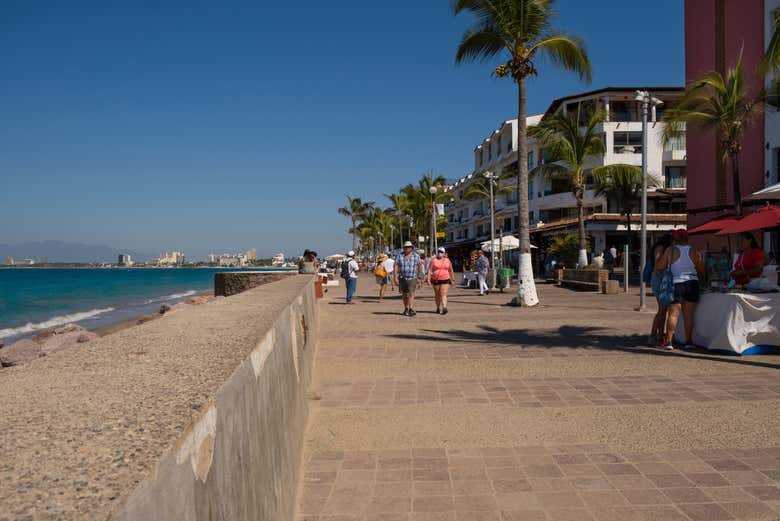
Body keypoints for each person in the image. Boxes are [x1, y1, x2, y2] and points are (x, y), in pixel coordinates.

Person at [656, 229, 704, 350]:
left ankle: (668, 341)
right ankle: (688, 341)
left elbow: (660, 267)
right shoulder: (694, 251)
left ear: (675, 239)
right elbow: (702, 269)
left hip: (676, 283)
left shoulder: (670, 250)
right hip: (692, 283)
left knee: (673, 314)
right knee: (689, 316)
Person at [648, 234, 672, 344]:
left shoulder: (663, 248)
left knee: (663, 309)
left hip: (661, 278)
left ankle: (660, 334)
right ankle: (653, 335)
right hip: (659, 278)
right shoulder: (661, 248)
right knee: (662, 309)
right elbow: (658, 265)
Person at [394, 241, 423, 316]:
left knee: (411, 293)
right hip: (402, 277)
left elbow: (420, 266)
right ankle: (406, 308)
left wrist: (419, 277)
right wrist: (395, 277)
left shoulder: (416, 256)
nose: (407, 249)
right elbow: (396, 266)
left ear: (411, 248)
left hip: (412, 277)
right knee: (404, 294)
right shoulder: (400, 256)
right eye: (405, 247)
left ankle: (410, 308)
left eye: (408, 247)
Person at [428, 247, 455, 314]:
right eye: (439, 251)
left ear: (444, 253)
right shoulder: (433, 260)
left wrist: (453, 279)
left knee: (443, 293)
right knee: (437, 295)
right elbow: (429, 270)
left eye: (441, 252)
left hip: (445, 279)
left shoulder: (447, 260)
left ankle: (444, 307)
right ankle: (438, 307)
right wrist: (428, 279)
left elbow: (451, 270)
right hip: (436, 279)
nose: (440, 253)